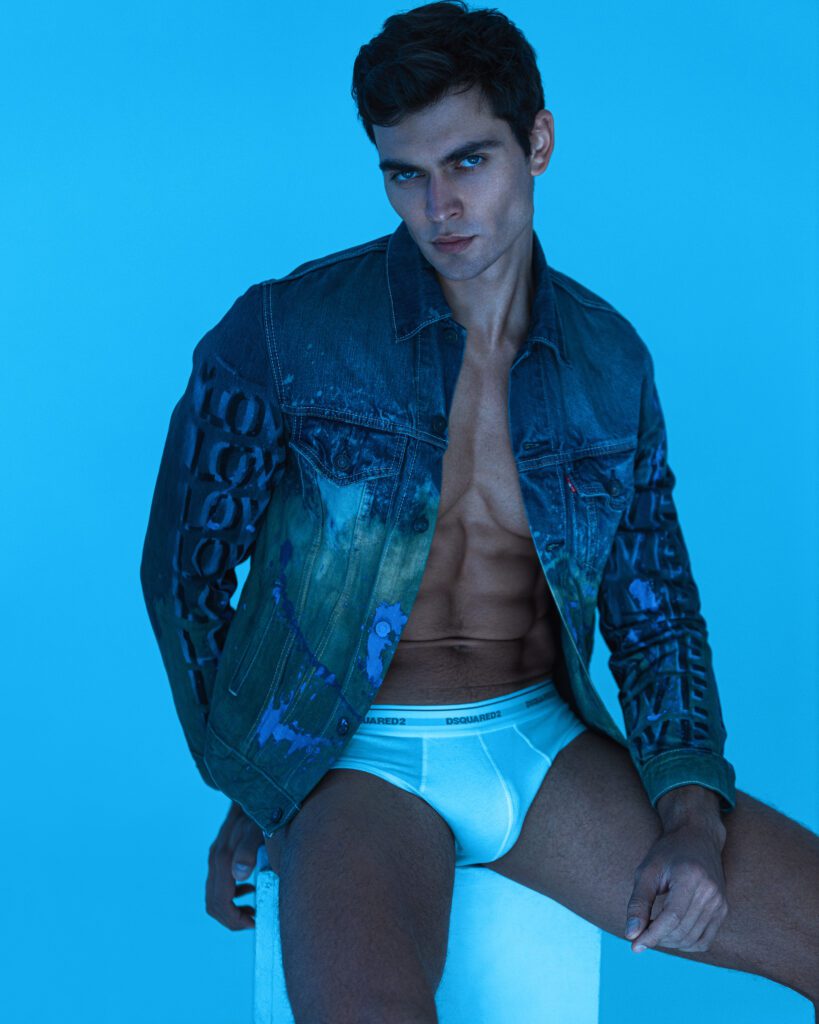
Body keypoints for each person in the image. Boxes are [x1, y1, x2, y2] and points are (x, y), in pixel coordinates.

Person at [140, 2, 819, 1020]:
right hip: (357, 763)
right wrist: (259, 778)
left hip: (544, 748)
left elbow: (657, 614)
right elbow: (180, 573)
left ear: (536, 142)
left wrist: (689, 813)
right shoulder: (285, 330)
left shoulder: (608, 361)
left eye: (468, 162)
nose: (439, 207)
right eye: (404, 174)